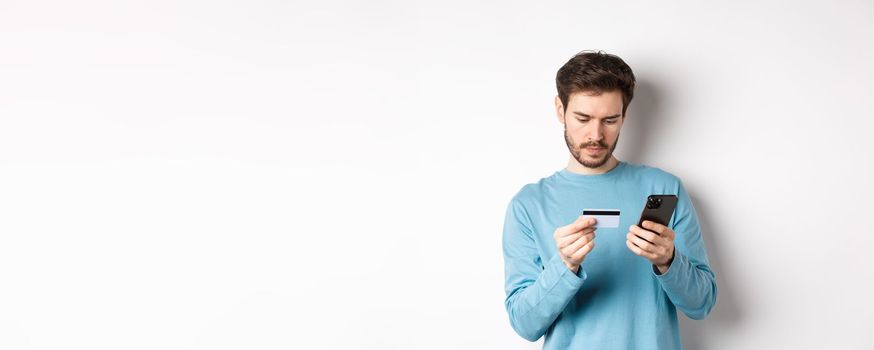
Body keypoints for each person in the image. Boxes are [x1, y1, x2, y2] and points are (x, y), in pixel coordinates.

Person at [501, 51, 717, 349]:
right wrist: (565, 265)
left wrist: (668, 261)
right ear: (560, 110)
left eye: (610, 120)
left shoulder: (664, 189)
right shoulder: (529, 204)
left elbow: (702, 304)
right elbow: (525, 324)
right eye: (583, 118)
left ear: (625, 116)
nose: (596, 135)